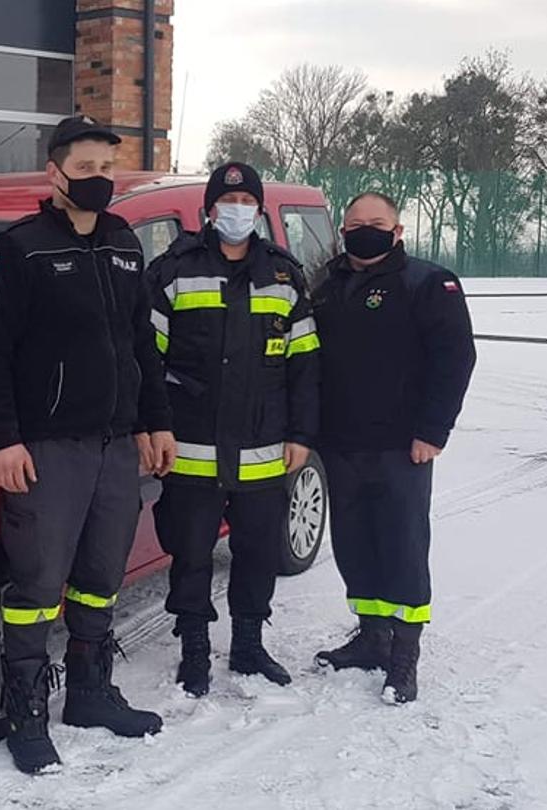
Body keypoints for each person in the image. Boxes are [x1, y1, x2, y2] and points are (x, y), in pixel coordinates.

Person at [0, 114, 178, 775]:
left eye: (105, 169)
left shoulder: (122, 243)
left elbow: (140, 343)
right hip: (48, 449)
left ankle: (89, 692)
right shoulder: (19, 248)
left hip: (116, 444)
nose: (97, 180)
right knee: (35, 586)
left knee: (98, 581)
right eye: (85, 169)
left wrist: (155, 420)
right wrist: (4, 439)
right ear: (54, 173)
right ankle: (26, 715)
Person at [145, 162, 320, 697]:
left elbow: (305, 365)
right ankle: (193, 649)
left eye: (247, 202)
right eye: (228, 201)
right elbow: (146, 363)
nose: (237, 211)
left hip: (264, 449)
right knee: (192, 553)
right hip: (191, 450)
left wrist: (301, 435)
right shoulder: (173, 271)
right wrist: (154, 428)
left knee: (257, 553)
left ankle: (248, 645)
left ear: (259, 211)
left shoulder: (285, 275)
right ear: (209, 210)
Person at [310, 191, 476, 704]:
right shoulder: (326, 284)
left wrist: (433, 430)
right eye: (355, 223)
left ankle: (404, 655)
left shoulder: (428, 283)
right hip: (341, 443)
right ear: (343, 229)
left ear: (397, 230)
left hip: (403, 447)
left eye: (376, 223)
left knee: (402, 547)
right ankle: (372, 636)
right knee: (356, 544)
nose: (365, 230)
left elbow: (456, 360)